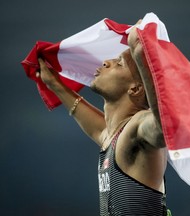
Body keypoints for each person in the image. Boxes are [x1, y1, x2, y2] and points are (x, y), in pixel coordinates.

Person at [36, 23, 170, 215]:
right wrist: (54, 85)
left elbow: (162, 126)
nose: (106, 62)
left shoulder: (138, 127)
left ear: (136, 88)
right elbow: (98, 129)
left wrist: (139, 52)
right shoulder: (113, 136)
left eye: (120, 63)